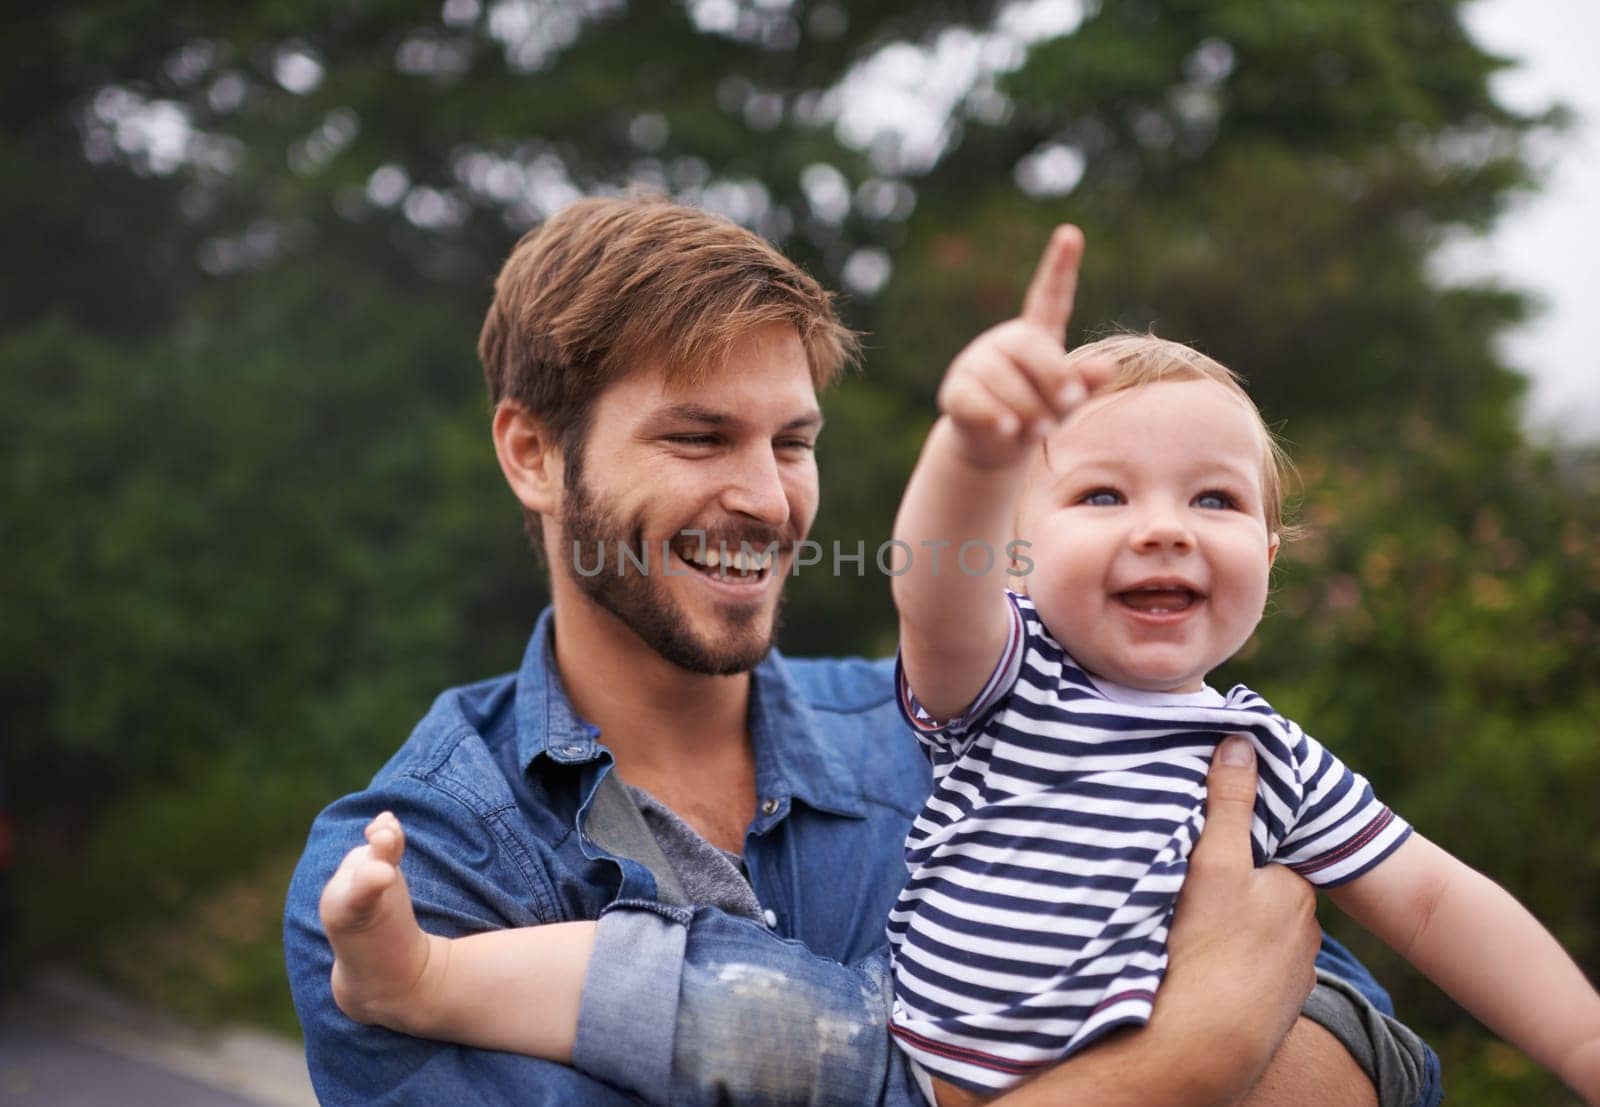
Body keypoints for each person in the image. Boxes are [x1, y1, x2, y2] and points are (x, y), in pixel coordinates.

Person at [286, 196, 1442, 1106]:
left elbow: (1364, 1061)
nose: (760, 496)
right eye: (696, 436)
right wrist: (1182, 1065)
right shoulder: (421, 874)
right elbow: (1242, 1024)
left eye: (792, 441)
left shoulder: (987, 720)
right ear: (533, 453)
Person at [884, 227, 1600, 1104]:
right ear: (1013, 554)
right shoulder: (1014, 676)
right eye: (1102, 494)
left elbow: (1433, 902)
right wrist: (974, 449)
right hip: (926, 1079)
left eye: (1213, 498)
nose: (1163, 528)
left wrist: (1580, 1036)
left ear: (1266, 555)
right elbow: (931, 591)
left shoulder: (1267, 755)